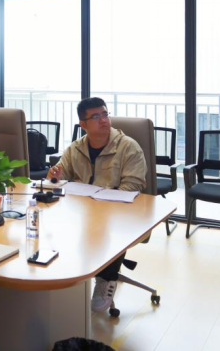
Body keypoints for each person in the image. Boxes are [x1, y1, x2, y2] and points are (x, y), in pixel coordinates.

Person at [47, 97, 146, 313]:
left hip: (119, 213)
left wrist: (101, 204)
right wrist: (55, 176)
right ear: (83, 124)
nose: (103, 120)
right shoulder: (75, 148)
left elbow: (133, 186)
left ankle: (106, 278)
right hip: (83, 212)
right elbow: (60, 176)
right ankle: (68, 276)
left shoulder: (128, 147)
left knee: (106, 229)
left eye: (104, 114)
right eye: (95, 116)